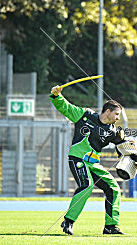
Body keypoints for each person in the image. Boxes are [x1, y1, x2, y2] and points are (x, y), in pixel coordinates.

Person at [50, 84, 126, 235]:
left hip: (93, 164)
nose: (118, 118)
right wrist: (56, 95)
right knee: (87, 185)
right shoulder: (84, 115)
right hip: (77, 158)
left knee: (113, 188)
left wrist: (128, 147)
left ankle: (111, 226)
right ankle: (68, 221)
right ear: (108, 111)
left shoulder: (113, 132)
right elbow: (65, 107)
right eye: (117, 114)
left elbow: (124, 149)